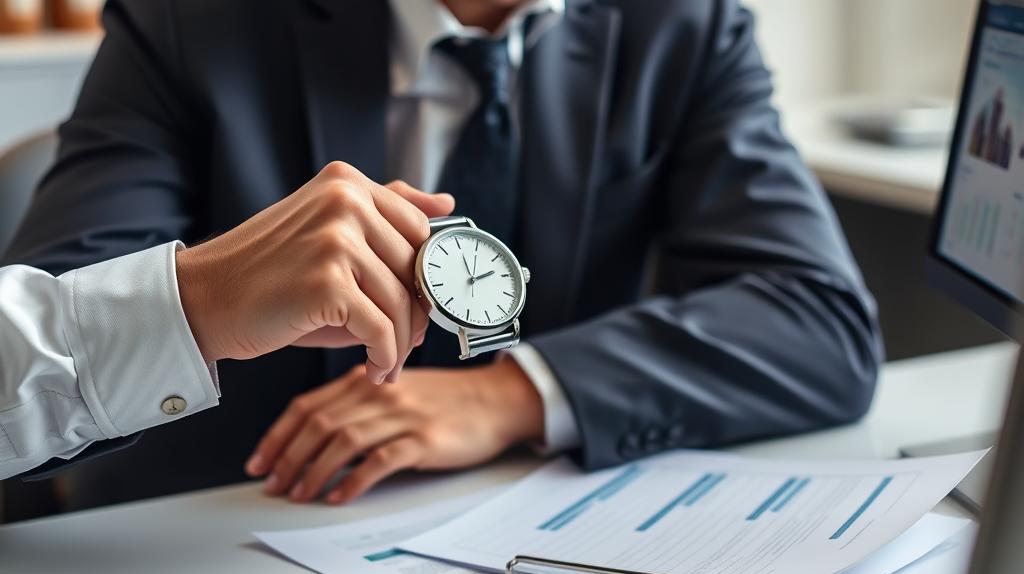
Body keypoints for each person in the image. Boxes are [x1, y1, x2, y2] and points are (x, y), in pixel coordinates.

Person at [5, 0, 883, 509]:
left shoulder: (680, 25)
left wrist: (518, 391)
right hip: (214, 538)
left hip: (518, 543)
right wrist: (205, 303)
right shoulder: (188, 20)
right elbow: (49, 335)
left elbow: (820, 321)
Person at [0, 164, 454, 480]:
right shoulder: (178, 32)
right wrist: (197, 302)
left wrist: (521, 386)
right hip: (197, 518)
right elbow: (69, 277)